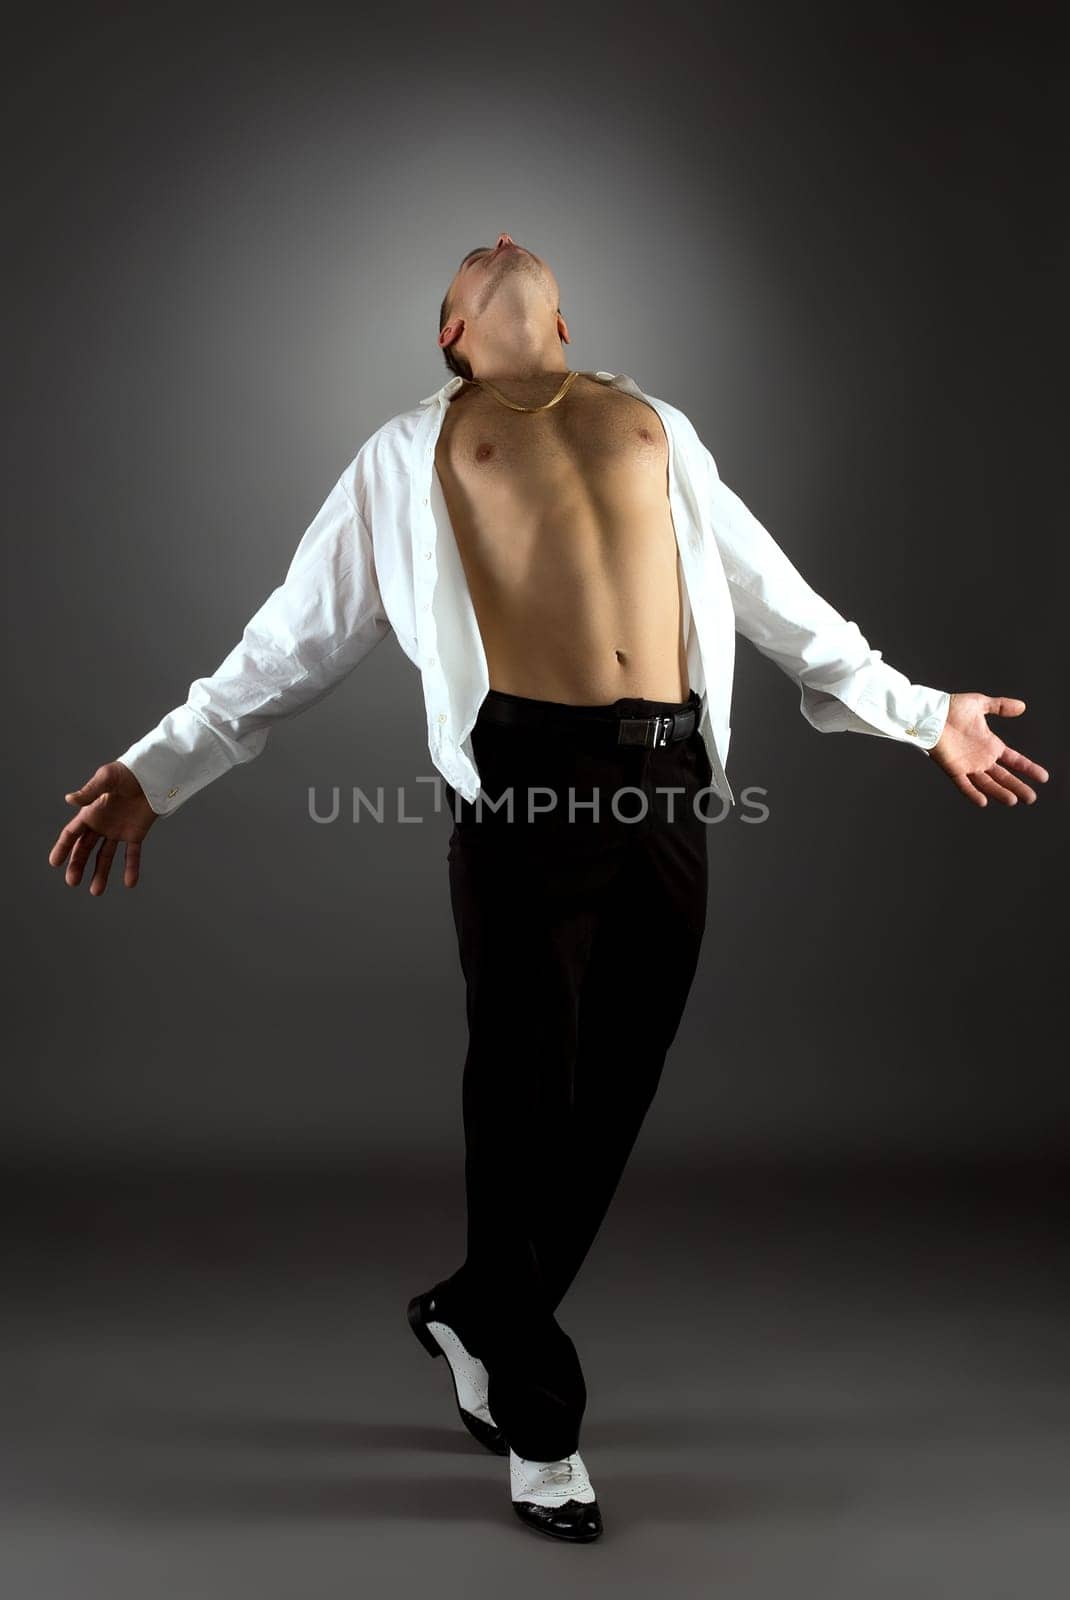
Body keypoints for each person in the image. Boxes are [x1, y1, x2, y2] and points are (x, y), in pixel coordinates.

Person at [47, 232, 1048, 1543]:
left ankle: (476, 1309)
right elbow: (284, 642)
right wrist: (154, 769)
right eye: (471, 281)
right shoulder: (412, 451)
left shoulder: (653, 425)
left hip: (669, 775)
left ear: (562, 320)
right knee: (526, 1086)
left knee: (614, 1081)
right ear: (451, 332)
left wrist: (922, 715)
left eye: (523, 269)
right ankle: (538, 1420)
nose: (501, 257)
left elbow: (772, 597)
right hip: (524, 779)